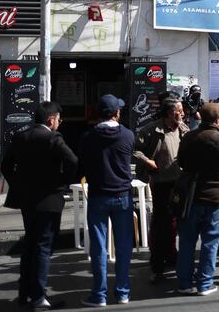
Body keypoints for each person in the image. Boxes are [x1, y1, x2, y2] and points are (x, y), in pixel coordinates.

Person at [0, 102, 78, 312]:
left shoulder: (20, 137)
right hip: (49, 200)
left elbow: (5, 166)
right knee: (43, 247)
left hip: (27, 201)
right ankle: (39, 297)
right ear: (51, 119)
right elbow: (72, 161)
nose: (59, 123)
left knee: (30, 244)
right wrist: (62, 182)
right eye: (59, 119)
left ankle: (24, 292)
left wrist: (19, 184)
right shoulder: (53, 138)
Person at [175, 103, 219, 296]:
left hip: (191, 197)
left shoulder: (189, 137)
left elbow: (181, 162)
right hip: (216, 198)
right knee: (210, 241)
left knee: (187, 241)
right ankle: (205, 283)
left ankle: (185, 282)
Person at [78, 94, 135, 307]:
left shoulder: (87, 138)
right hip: (122, 196)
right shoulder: (128, 135)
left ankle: (99, 294)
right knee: (123, 246)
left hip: (98, 196)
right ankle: (122, 292)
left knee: (99, 247)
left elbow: (82, 164)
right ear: (117, 113)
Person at [134, 97, 189, 283]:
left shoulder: (184, 129)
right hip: (161, 184)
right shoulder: (151, 130)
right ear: (168, 113)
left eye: (182, 111)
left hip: (180, 184)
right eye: (178, 111)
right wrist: (147, 161)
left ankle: (173, 256)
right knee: (161, 225)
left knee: (178, 223)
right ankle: (157, 266)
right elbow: (135, 150)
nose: (182, 114)